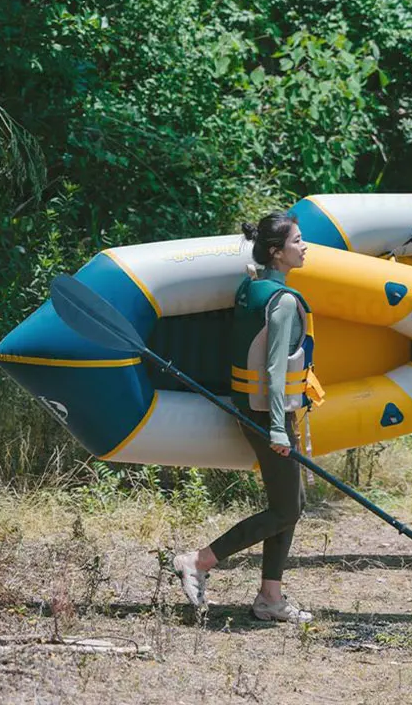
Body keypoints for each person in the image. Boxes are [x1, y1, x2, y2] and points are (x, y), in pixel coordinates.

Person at [173, 212, 319, 623]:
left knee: (291, 502)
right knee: (287, 509)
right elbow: (275, 372)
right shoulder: (283, 301)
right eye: (298, 241)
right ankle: (198, 561)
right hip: (267, 414)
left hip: (249, 408)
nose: (304, 246)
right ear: (278, 252)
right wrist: (277, 427)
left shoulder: (250, 288)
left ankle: (270, 598)